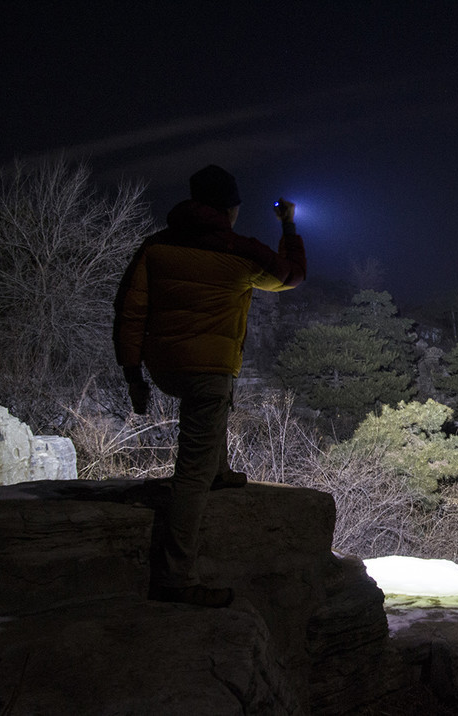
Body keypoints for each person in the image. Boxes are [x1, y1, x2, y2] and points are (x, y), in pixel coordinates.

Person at [113, 165, 306, 608]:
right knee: (191, 472)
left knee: (210, 393)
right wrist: (289, 225)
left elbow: (129, 312)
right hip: (209, 372)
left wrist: (133, 377)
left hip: (164, 367)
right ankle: (175, 577)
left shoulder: (155, 247)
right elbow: (292, 275)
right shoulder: (239, 252)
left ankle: (219, 470)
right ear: (230, 209)